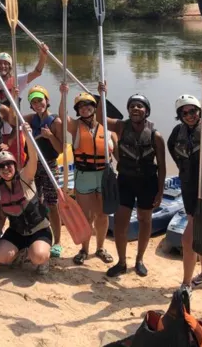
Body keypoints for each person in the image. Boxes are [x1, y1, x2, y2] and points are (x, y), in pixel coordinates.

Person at [167, 60, 202, 291]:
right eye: (184, 113)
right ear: (180, 115)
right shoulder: (176, 134)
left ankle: (186, 283)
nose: (189, 115)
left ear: (199, 112)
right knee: (201, 234)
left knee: (187, 239)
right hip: (189, 192)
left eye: (193, 111)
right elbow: (175, 154)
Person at [100, 89, 167, 277]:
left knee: (145, 221)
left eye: (140, 106)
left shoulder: (156, 136)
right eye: (132, 106)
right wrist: (102, 95)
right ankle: (121, 262)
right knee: (121, 224)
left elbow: (162, 167)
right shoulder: (121, 127)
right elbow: (100, 118)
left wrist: (160, 192)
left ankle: (139, 260)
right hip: (126, 181)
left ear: (147, 111)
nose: (135, 108)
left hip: (147, 183)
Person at [58, 85, 114, 266]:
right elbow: (61, 117)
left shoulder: (105, 125)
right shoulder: (75, 127)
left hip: (103, 176)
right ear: (77, 110)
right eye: (81, 106)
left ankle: (100, 248)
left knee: (102, 215)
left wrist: (103, 92)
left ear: (95, 107)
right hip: (84, 176)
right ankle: (84, 249)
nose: (85, 108)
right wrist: (63, 95)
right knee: (86, 216)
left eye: (88, 105)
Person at [0, 127, 53, 275]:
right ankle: (22, 251)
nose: (6, 169)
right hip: (17, 231)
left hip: (39, 229)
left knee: (38, 256)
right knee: (1, 257)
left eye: (9, 165)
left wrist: (28, 136)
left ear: (14, 165)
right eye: (1, 167)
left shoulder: (25, 177)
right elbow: (0, 217)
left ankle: (42, 258)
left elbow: (33, 158)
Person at [23, 85, 64, 258]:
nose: (38, 103)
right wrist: (15, 97)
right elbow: (11, 117)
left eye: (40, 100)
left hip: (49, 165)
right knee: (33, 203)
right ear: (31, 105)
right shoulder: (30, 118)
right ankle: (37, 235)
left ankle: (58, 242)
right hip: (33, 164)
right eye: (34, 101)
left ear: (47, 101)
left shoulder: (55, 122)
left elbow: (60, 148)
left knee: (52, 204)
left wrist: (50, 136)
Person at [0, 45, 49, 161]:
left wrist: (43, 56)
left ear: (10, 66)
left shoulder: (17, 80)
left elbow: (37, 72)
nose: (3, 66)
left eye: (6, 63)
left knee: (17, 163)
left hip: (14, 131)